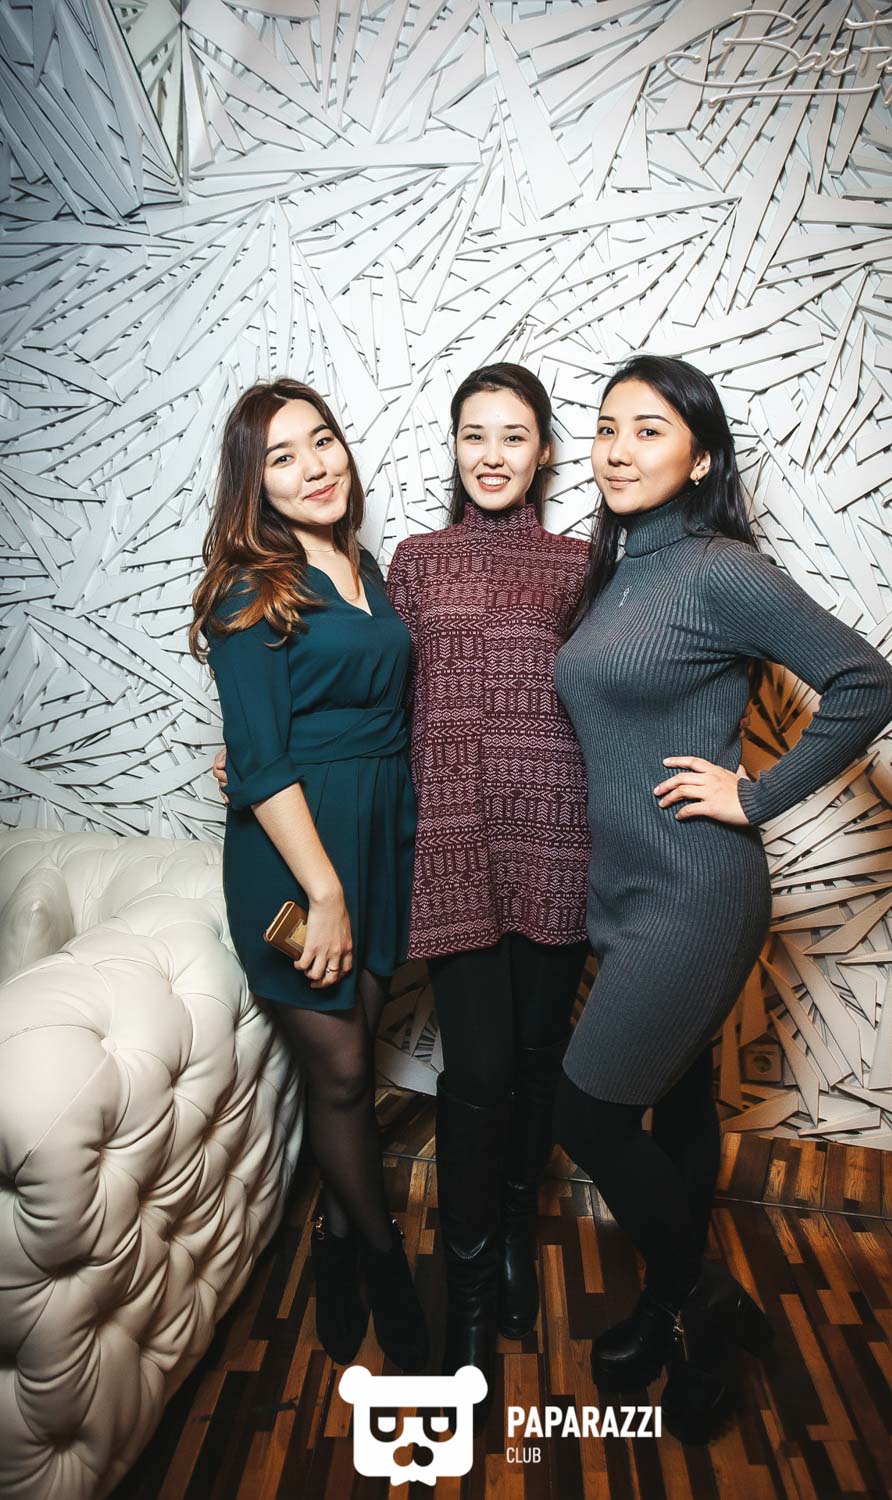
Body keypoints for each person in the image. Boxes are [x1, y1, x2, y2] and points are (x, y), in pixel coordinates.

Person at [552, 355, 892, 1443]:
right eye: (606, 427)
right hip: (623, 894)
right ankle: (672, 1305)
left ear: (701, 458)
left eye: (648, 430)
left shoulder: (720, 571)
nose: (617, 450)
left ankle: (703, 1304)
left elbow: (867, 684)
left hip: (695, 894)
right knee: (679, 1108)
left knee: (587, 1115)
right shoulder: (616, 571)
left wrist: (754, 796)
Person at [190, 378, 429, 1376]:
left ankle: (334, 1236)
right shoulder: (250, 589)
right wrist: (324, 893)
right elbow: (260, 758)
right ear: (256, 485)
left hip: (379, 835)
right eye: (282, 457)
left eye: (322, 441)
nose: (314, 467)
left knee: (357, 1053)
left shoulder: (364, 567)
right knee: (339, 1074)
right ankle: (383, 1269)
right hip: (297, 862)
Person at [385, 364, 591, 1420]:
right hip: (455, 846)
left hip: (556, 841)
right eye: (475, 434)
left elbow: (619, 692)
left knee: (538, 1059)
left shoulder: (581, 565)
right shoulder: (415, 562)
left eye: (514, 435)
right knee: (475, 1074)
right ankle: (467, 1291)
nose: (494, 454)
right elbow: (379, 695)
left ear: (544, 451)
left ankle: (513, 1237)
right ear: (455, 446)